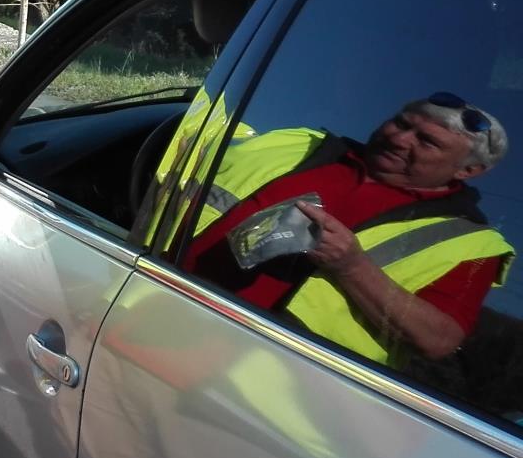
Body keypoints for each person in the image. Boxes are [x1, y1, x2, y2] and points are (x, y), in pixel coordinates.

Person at [184, 93, 514, 363]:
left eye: (426, 141)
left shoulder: (470, 243)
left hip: (258, 380)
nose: (398, 138)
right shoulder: (302, 143)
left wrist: (352, 267)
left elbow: (439, 340)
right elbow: (185, 165)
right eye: (401, 122)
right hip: (156, 293)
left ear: (468, 170)